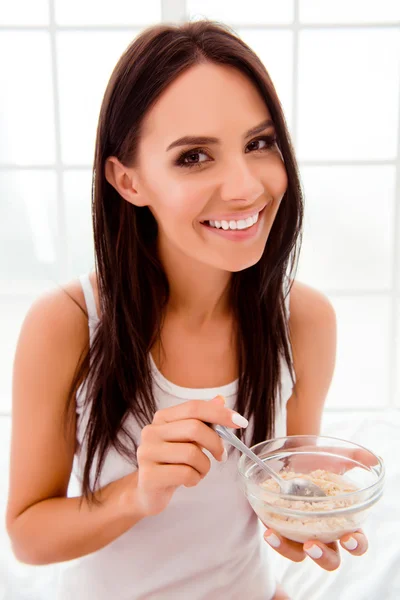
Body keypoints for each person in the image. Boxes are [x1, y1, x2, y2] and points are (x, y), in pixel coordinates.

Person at [5, 19, 368, 600]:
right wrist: (139, 492)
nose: (245, 187)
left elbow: (276, 495)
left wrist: (307, 522)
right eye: (194, 156)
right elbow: (27, 536)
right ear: (128, 180)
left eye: (259, 143)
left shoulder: (306, 320)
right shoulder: (68, 324)